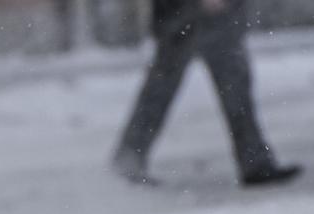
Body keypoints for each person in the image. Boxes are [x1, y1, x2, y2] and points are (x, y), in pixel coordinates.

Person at [112, 0, 301, 187]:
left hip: (207, 15)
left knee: (232, 85)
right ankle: (129, 157)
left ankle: (255, 161)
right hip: (186, 13)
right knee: (164, 85)